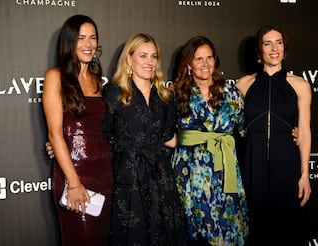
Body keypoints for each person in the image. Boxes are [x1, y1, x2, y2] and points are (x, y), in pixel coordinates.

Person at [102, 33, 189, 245]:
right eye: (143, 56)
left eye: (153, 56)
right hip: (129, 176)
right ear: (129, 59)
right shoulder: (114, 92)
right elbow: (101, 131)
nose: (149, 62)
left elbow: (169, 137)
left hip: (161, 175)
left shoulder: (165, 96)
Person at [236, 25, 312, 246]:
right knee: (256, 232)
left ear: (284, 49)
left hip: (287, 166)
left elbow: (305, 130)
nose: (274, 48)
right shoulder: (243, 85)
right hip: (252, 167)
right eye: (267, 43)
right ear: (259, 51)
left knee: (288, 231)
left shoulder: (300, 85)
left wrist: (305, 173)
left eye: (278, 42)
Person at [42, 15, 113, 246]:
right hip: (73, 174)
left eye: (93, 38)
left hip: (104, 173)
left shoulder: (98, 82)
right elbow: (55, 134)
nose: (88, 44)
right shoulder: (55, 77)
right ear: (69, 42)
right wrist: (73, 183)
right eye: (81, 38)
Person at [171, 35, 249, 245]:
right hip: (190, 172)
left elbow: (244, 130)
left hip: (225, 171)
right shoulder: (177, 94)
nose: (205, 64)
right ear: (189, 63)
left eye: (209, 58)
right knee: (193, 230)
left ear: (215, 61)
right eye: (198, 59)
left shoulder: (232, 93)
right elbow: (161, 132)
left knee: (226, 229)